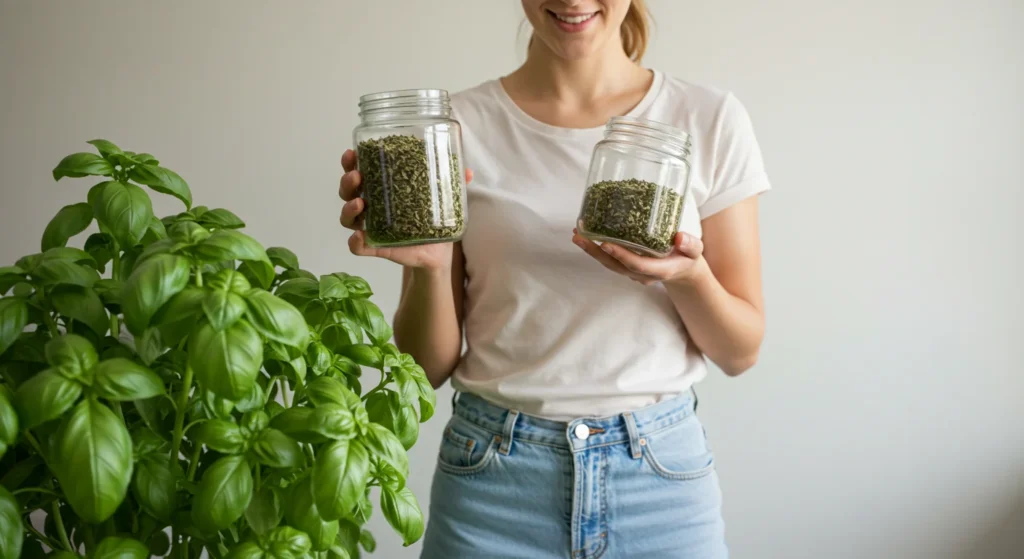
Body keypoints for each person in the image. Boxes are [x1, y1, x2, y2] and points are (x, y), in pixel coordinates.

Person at [338, 1, 769, 556]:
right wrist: (432, 264)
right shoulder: (452, 127)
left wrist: (688, 277)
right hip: (493, 478)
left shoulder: (706, 118)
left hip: (659, 482)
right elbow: (427, 367)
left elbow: (740, 352)